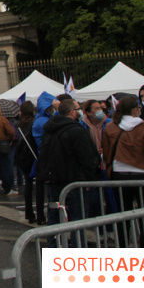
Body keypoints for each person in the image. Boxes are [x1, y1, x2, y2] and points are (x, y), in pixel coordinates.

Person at [36, 99, 100, 246]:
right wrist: (90, 179)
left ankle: (53, 249)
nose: (80, 111)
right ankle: (77, 252)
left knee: (54, 217)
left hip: (55, 181)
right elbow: (86, 157)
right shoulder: (76, 130)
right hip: (73, 180)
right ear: (72, 112)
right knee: (77, 220)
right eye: (78, 108)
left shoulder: (50, 129)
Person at [102, 95, 144, 246]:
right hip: (143, 174)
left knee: (123, 215)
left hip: (119, 174)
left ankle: (122, 246)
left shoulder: (110, 127)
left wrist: (110, 168)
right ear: (135, 109)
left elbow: (107, 152)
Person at [14, 101, 45, 224]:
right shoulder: (34, 123)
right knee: (39, 186)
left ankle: (29, 213)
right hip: (34, 155)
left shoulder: (18, 124)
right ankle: (40, 215)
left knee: (28, 185)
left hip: (23, 157)